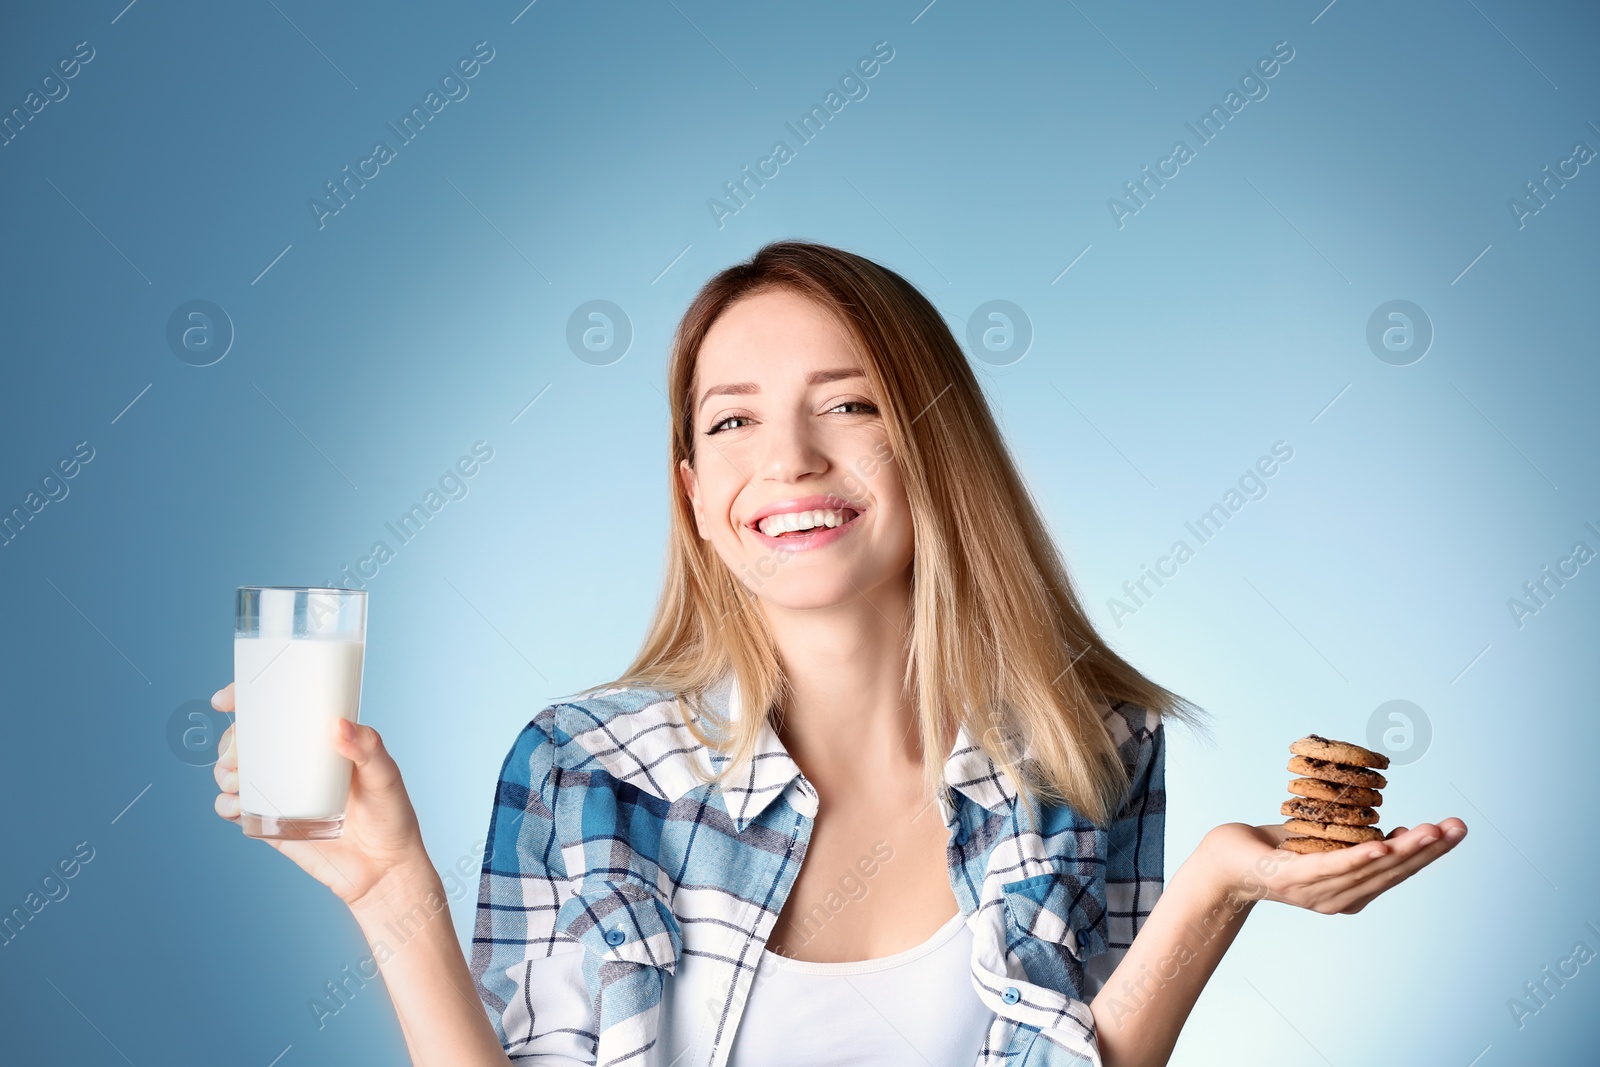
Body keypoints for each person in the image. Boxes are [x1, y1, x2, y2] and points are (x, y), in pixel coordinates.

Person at [209, 240, 1468, 1067]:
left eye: (849, 402)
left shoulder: (1089, 756)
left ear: (936, 441)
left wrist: (1209, 892)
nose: (791, 459)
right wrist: (389, 893)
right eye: (735, 420)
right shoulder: (582, 768)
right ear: (696, 491)